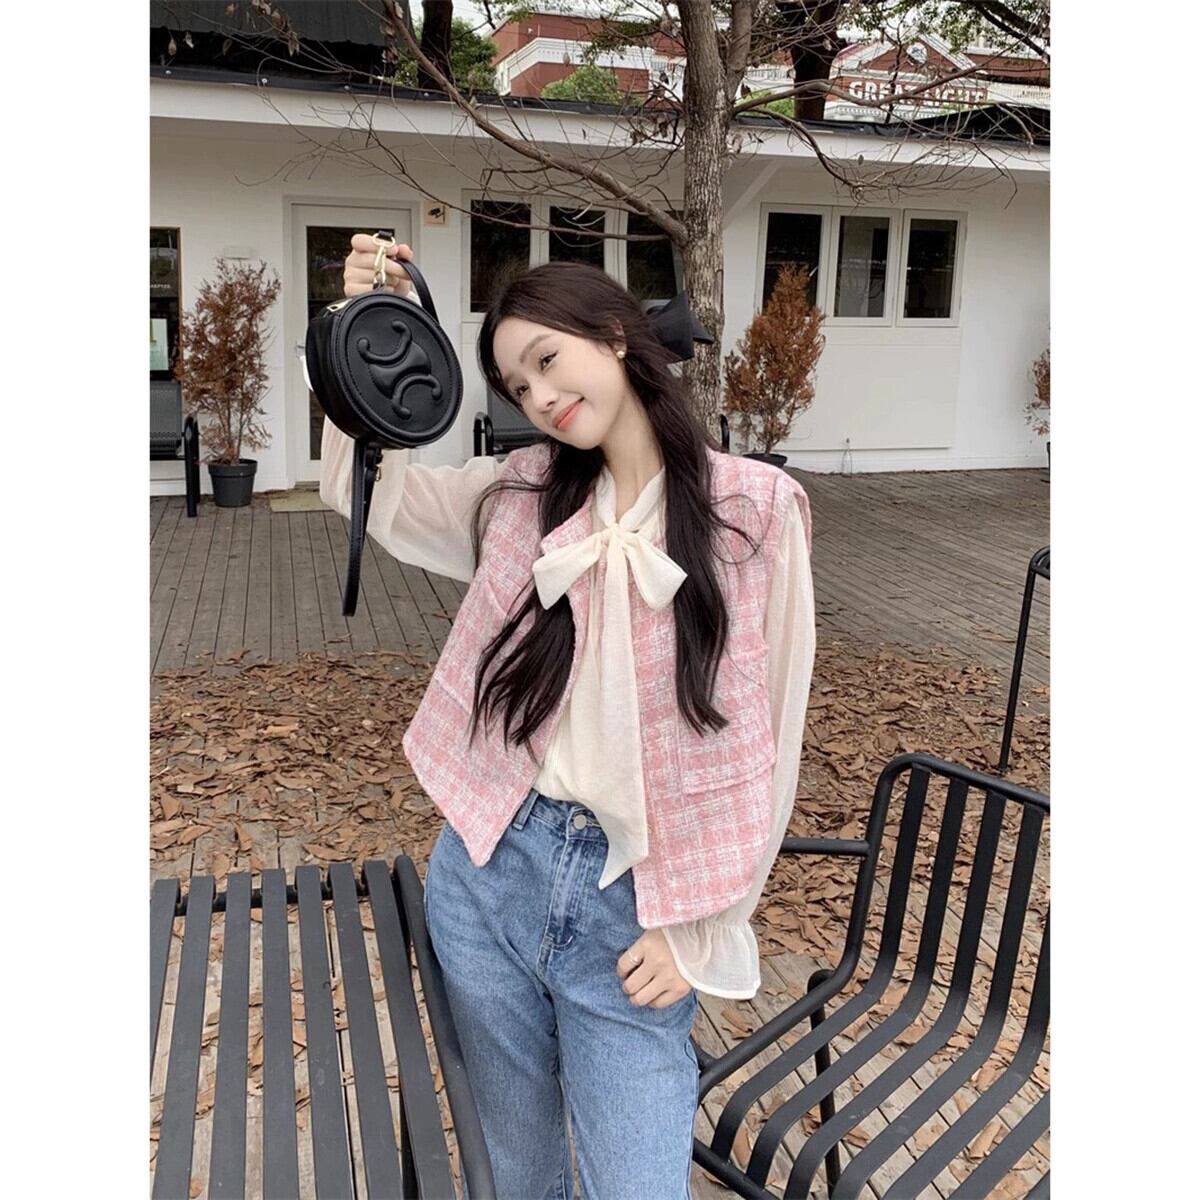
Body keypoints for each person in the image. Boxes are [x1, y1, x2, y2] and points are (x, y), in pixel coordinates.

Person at [320, 232, 816, 1199]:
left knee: (635, 1181)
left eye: (548, 361)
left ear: (617, 337)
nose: (540, 397)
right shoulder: (519, 495)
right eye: (518, 386)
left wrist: (704, 928)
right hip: (490, 873)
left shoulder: (756, 511)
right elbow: (361, 490)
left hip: (634, 911)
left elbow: (775, 735)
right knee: (519, 1172)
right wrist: (355, 329)